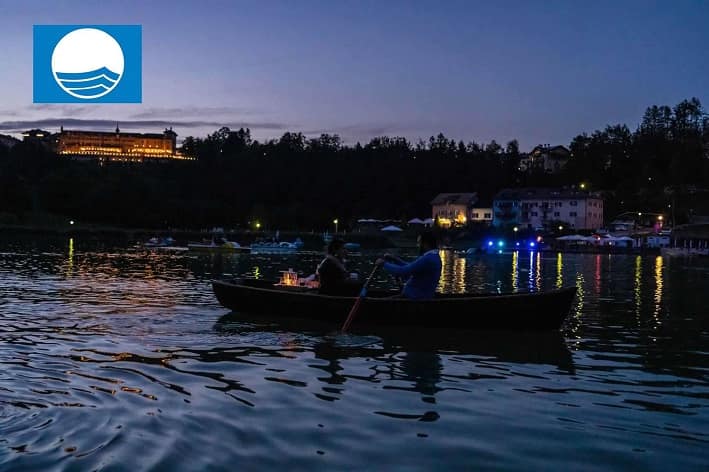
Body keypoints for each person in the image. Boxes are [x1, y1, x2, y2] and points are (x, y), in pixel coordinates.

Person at [376, 231, 442, 299]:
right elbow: (410, 267)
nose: (418, 246)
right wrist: (396, 259)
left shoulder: (428, 258)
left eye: (419, 243)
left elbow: (403, 271)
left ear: (425, 244)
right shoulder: (434, 256)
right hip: (416, 296)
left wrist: (384, 264)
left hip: (415, 298)